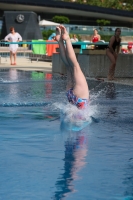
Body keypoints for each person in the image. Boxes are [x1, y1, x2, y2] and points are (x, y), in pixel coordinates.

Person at [55, 25, 89, 110]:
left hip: (81, 97)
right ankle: (60, 40)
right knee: (69, 66)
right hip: (72, 98)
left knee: (75, 66)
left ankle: (66, 39)